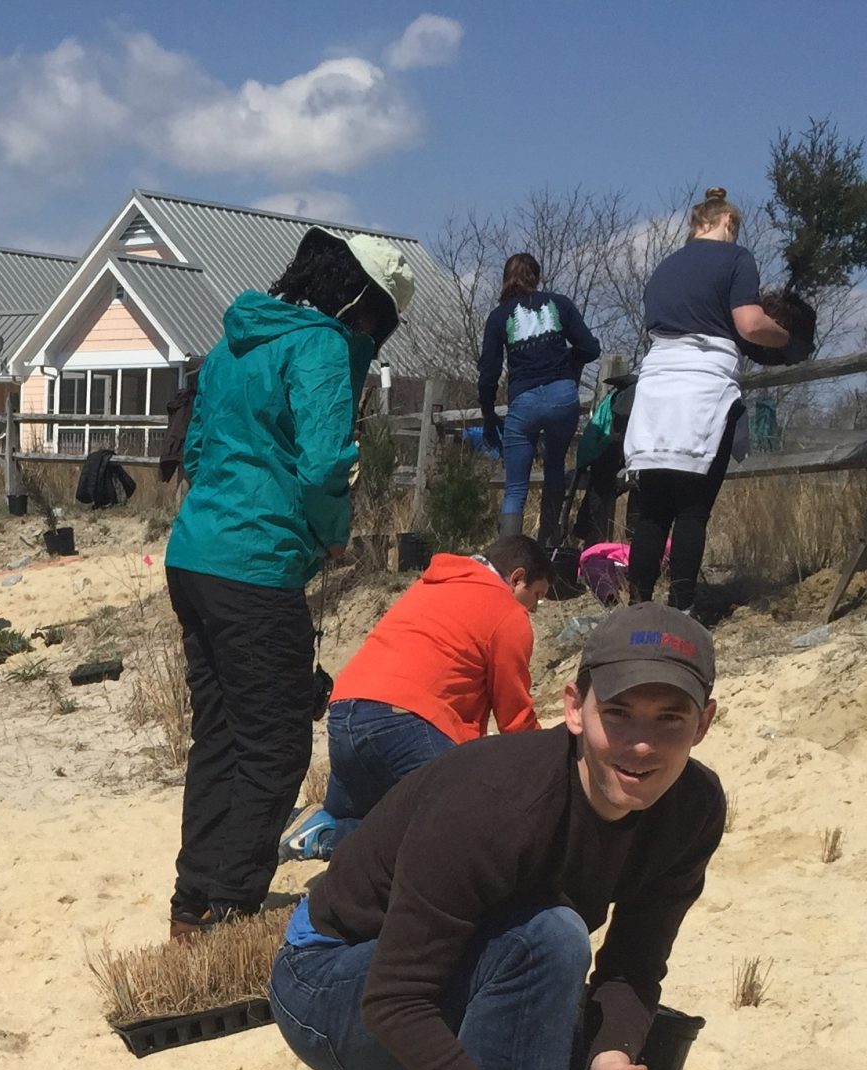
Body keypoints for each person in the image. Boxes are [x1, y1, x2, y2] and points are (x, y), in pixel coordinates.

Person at [267, 605, 725, 1070]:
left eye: (670, 720)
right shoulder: (494, 799)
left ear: (704, 724)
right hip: (334, 982)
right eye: (620, 712)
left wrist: (606, 1061)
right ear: (575, 707)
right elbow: (397, 1002)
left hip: (478, 982)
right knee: (550, 934)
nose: (640, 746)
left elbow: (633, 965)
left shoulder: (692, 810)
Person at [161, 225, 415, 940]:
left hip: (196, 555)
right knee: (275, 746)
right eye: (377, 318)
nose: (372, 332)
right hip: (257, 563)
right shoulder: (322, 346)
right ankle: (231, 908)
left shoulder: (234, 340)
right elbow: (327, 461)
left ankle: (191, 905)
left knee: (219, 736)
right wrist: (331, 532)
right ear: (359, 298)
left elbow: (201, 446)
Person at [621, 188, 790, 613]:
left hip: (656, 385)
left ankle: (638, 605)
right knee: (693, 508)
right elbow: (749, 324)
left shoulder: (664, 268)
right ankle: (680, 606)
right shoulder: (737, 259)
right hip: (703, 387)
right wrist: (783, 336)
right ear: (727, 222)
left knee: (654, 508)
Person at [319, 533, 548, 824]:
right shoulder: (509, 614)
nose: (535, 607)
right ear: (517, 578)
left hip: (343, 715)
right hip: (406, 721)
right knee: (467, 823)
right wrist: (547, 759)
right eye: (537, 595)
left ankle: (331, 825)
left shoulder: (434, 583)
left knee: (369, 816)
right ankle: (337, 837)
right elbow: (514, 718)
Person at [477, 255, 599, 546]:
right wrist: (568, 364)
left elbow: (488, 373)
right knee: (555, 467)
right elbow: (590, 348)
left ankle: (509, 558)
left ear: (506, 278)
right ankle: (549, 542)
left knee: (516, 487)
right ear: (537, 276)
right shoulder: (559, 304)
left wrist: (488, 413)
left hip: (525, 401)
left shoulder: (499, 316)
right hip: (562, 396)